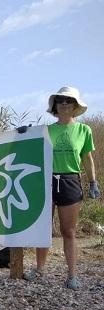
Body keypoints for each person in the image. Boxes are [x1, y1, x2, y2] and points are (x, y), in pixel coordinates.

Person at [23, 86, 99, 290]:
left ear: (75, 105)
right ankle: (39, 270)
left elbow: (87, 158)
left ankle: (72, 275)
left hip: (70, 181)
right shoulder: (47, 130)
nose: (64, 103)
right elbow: (30, 147)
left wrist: (93, 181)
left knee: (69, 231)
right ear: (55, 105)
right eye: (60, 100)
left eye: (68, 100)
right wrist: (23, 134)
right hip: (46, 181)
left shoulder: (84, 130)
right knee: (43, 228)